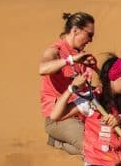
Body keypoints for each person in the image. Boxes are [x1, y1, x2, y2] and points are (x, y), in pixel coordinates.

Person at [39, 12, 98, 155]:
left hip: (80, 114)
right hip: (59, 118)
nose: (90, 40)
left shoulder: (81, 56)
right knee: (92, 149)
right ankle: (59, 141)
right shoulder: (55, 51)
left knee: (105, 143)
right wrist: (70, 60)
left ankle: (59, 142)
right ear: (76, 30)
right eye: (89, 35)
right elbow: (43, 68)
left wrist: (95, 68)